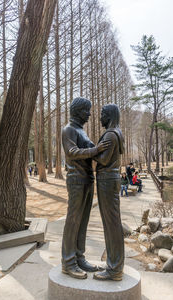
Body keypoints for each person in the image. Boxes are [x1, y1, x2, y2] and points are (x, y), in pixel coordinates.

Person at [61, 97, 110, 279]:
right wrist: (95, 150)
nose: (89, 114)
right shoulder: (69, 130)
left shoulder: (81, 130)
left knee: (83, 221)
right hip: (76, 180)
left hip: (87, 179)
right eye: (86, 110)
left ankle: (79, 257)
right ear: (78, 111)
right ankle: (68, 262)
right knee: (73, 221)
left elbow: (93, 149)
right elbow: (72, 152)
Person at [93, 104, 124, 281]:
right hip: (110, 180)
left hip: (107, 180)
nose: (100, 117)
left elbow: (103, 160)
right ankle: (115, 265)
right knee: (112, 223)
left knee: (111, 224)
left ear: (110, 116)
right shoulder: (116, 132)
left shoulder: (111, 134)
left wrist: (92, 151)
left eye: (103, 114)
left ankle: (114, 269)